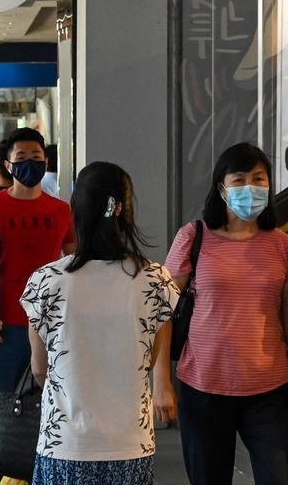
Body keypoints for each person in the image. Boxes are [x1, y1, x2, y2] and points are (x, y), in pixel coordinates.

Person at [22, 161, 178, 484]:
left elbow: (39, 368)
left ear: (74, 210)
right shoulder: (154, 280)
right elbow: (149, 359)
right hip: (130, 442)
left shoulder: (46, 281)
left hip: (64, 442)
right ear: (126, 211)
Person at [165, 142, 288, 485]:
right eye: (239, 179)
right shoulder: (194, 236)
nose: (250, 188)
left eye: (258, 179)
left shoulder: (282, 245)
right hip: (203, 386)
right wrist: (159, 382)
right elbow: (161, 310)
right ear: (221, 188)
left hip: (268, 388)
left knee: (278, 477)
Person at [0, 127, 76, 485]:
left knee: (53, 399)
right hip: (5, 322)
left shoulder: (60, 211)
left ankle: (39, 462)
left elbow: (74, 261)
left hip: (53, 325)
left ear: (46, 161)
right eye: (21, 159)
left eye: (36, 158)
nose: (30, 164)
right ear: (7, 165)